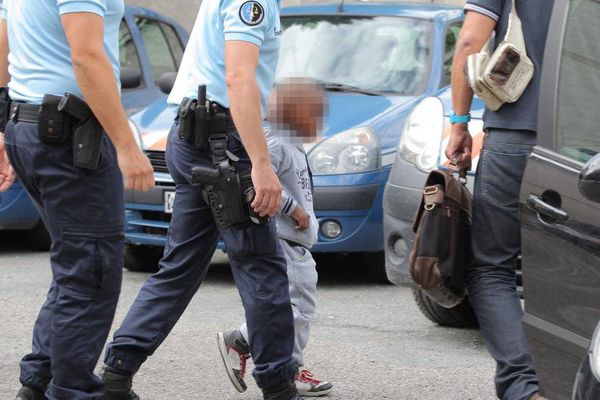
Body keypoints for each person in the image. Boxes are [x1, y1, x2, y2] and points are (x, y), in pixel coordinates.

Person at [101, 1, 300, 399]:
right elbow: (238, 77)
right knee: (262, 268)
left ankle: (117, 371)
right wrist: (261, 164)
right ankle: (279, 386)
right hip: (222, 143)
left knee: (181, 265)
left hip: (195, 137)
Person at [0, 0, 155, 399]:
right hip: (68, 135)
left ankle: (38, 382)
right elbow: (86, 57)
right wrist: (126, 144)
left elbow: (2, 43)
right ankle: (71, 390)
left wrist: (2, 127)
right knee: (92, 272)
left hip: (29, 124)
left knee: (75, 267)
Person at [446, 1, 553, 399]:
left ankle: (523, 386)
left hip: (514, 136)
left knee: (492, 269)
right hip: (581, 142)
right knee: (575, 263)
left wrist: (459, 125)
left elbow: (471, 40)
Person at [217, 79, 333, 397]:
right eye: (315, 113)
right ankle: (249, 344)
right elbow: (255, 182)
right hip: (286, 238)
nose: (320, 120)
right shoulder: (277, 143)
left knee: (297, 306)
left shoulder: (292, 143)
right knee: (295, 307)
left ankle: (286, 363)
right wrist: (294, 209)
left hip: (298, 241)